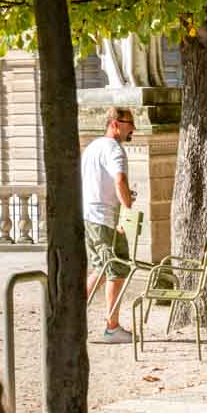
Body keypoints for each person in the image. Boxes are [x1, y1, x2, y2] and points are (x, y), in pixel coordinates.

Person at [81, 105, 136, 342]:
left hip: (90, 215)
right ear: (114, 123)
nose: (133, 128)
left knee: (101, 269)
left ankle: (69, 317)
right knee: (115, 268)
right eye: (129, 123)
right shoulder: (114, 149)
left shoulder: (92, 147)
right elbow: (119, 179)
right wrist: (127, 204)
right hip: (104, 218)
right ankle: (111, 327)